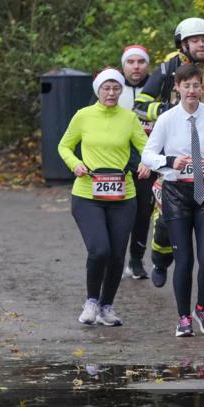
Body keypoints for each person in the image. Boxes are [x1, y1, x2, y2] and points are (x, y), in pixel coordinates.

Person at [135, 18, 204, 302]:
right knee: (165, 225)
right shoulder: (169, 68)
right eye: (195, 40)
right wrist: (167, 109)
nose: (201, 44)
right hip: (175, 162)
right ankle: (160, 259)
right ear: (183, 44)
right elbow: (140, 104)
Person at [141, 63, 204, 337]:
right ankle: (183, 317)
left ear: (203, 88)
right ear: (177, 88)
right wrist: (169, 161)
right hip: (177, 193)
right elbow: (148, 155)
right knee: (185, 260)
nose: (192, 91)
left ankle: (202, 308)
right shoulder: (167, 119)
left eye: (196, 85)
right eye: (186, 85)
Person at [58, 68, 150, 327]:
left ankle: (106, 307)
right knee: (100, 250)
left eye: (116, 88)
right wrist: (75, 163)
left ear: (121, 91)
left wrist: (147, 163)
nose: (111, 93)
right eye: (106, 88)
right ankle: (90, 302)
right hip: (88, 193)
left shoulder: (129, 118)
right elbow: (64, 145)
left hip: (123, 195)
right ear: (98, 90)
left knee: (118, 255)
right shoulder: (83, 116)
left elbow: (147, 148)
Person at [118, 44, 155, 280]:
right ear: (123, 66)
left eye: (140, 62)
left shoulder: (158, 86)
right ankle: (115, 259)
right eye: (130, 62)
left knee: (143, 212)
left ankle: (136, 260)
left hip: (148, 160)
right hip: (117, 160)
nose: (136, 66)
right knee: (120, 212)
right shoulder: (111, 87)